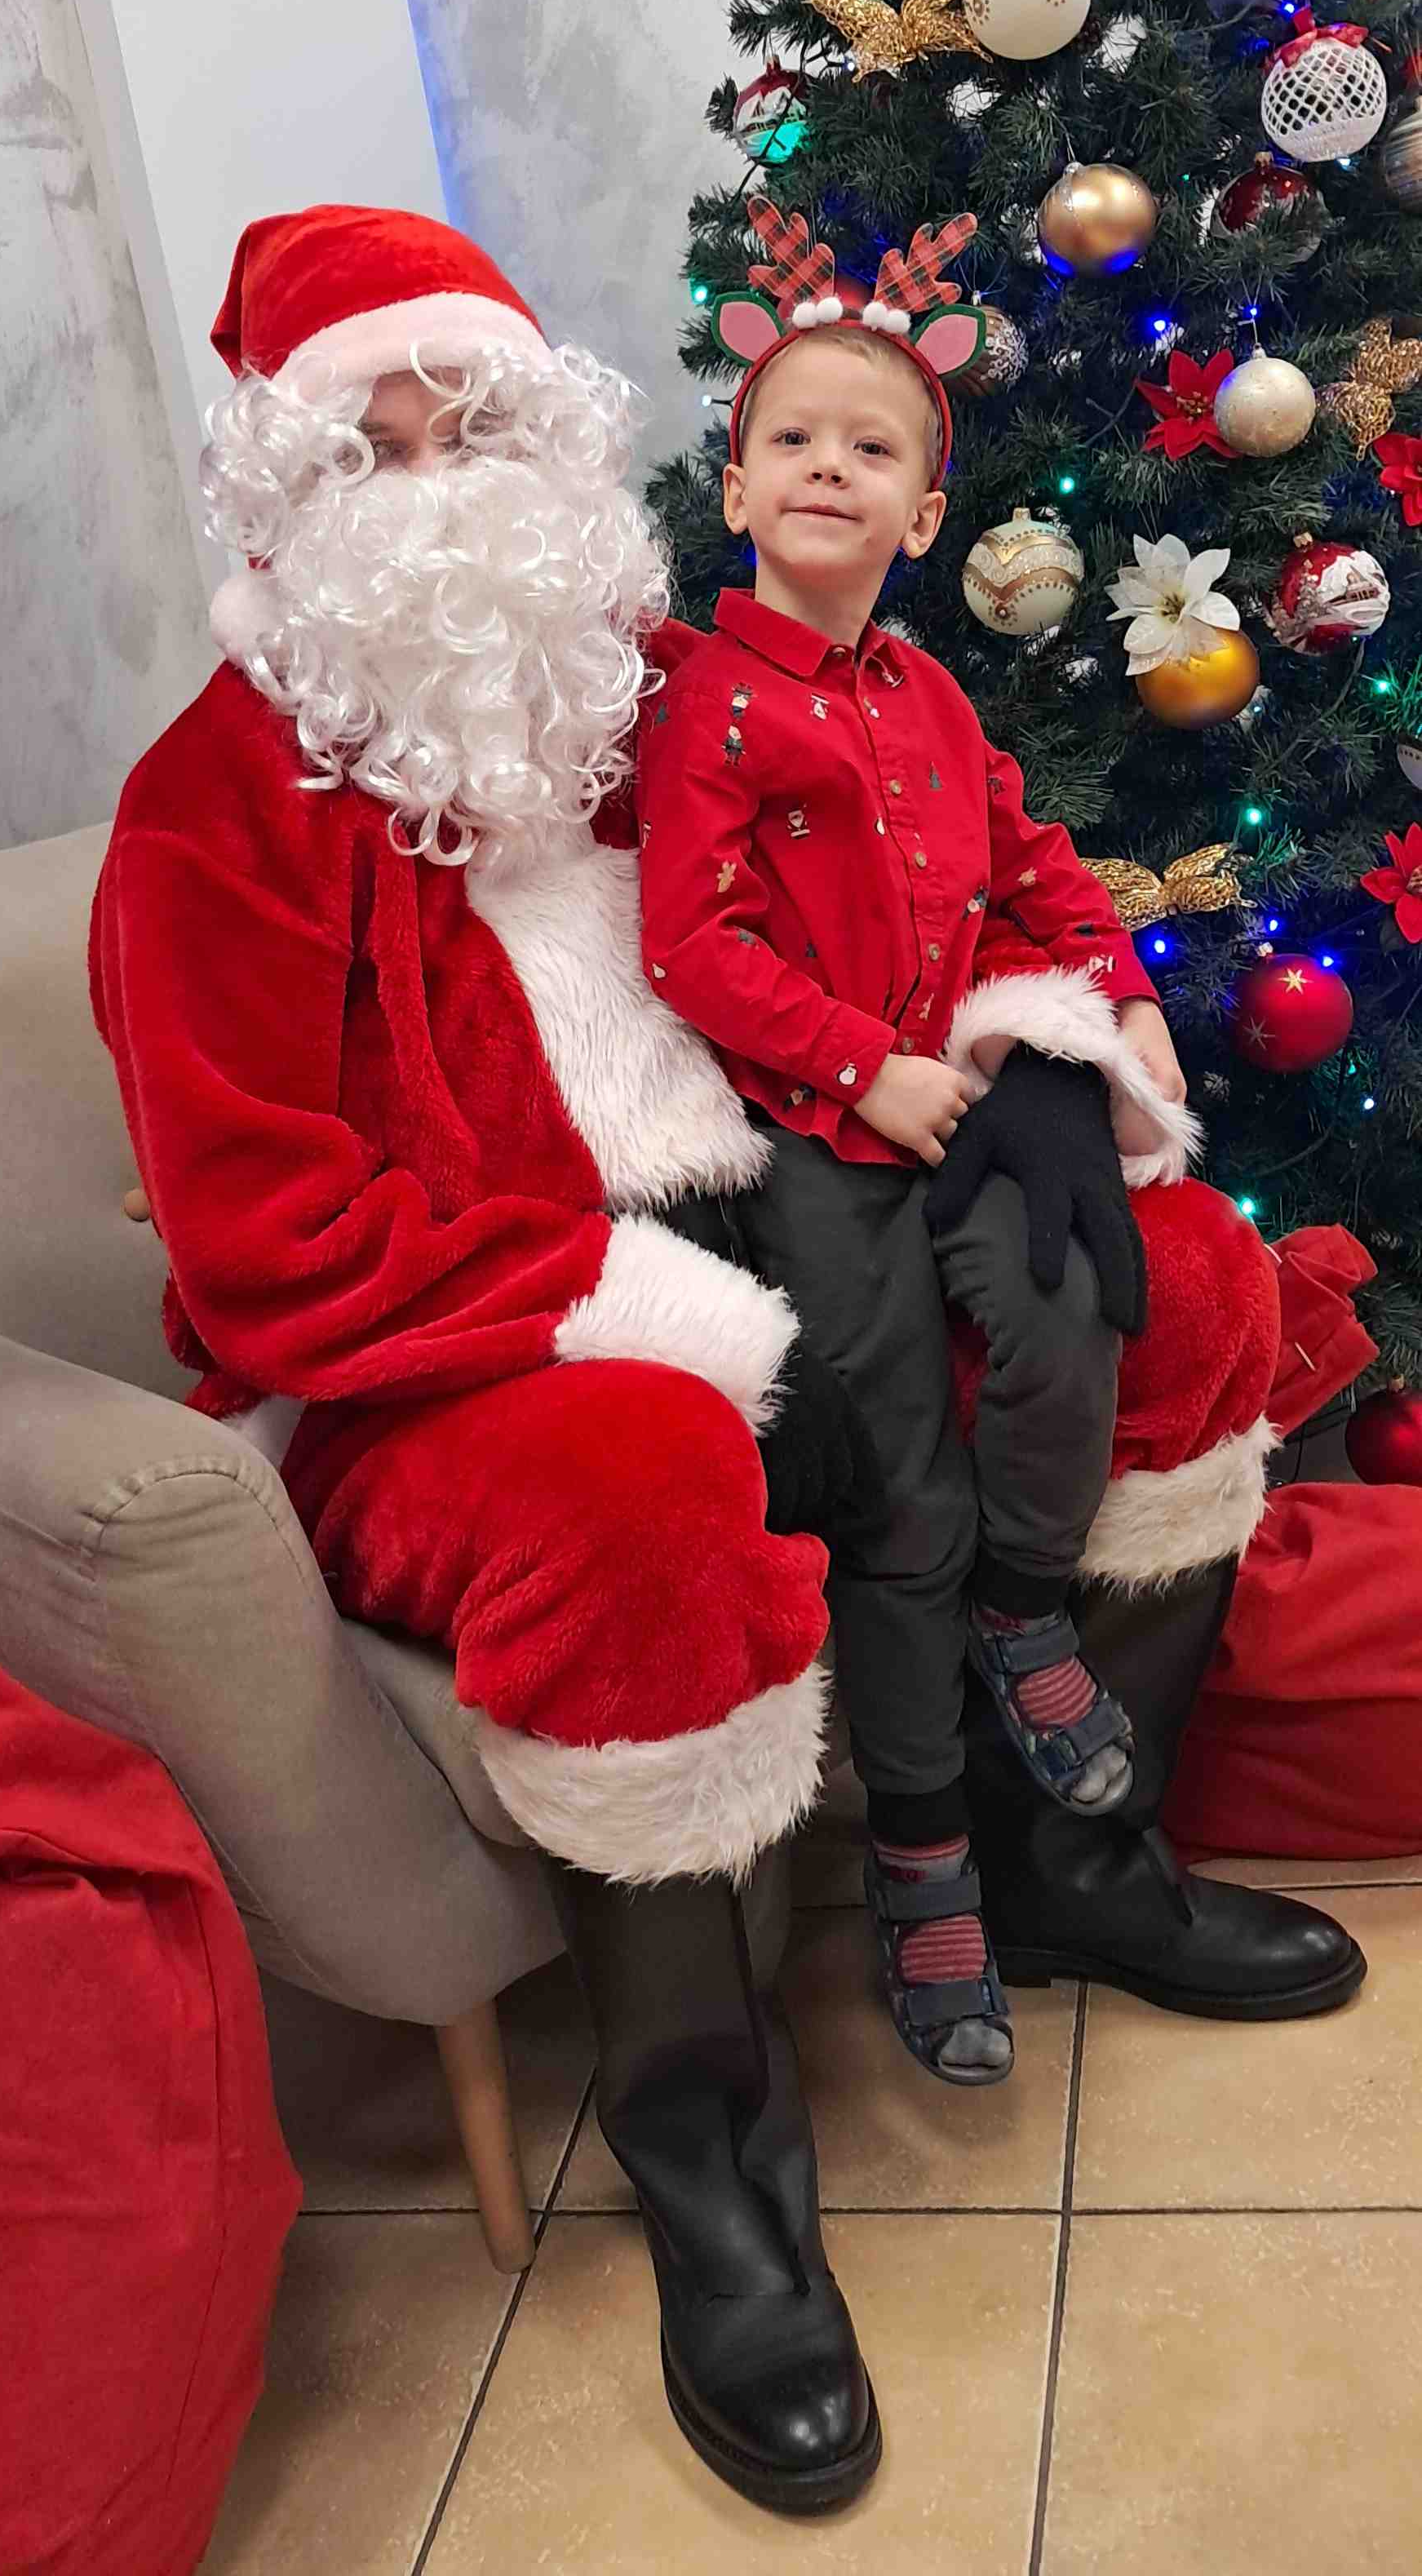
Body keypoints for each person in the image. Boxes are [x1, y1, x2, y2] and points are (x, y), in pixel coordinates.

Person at [91, 201, 1362, 2526]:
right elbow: (270, 1248)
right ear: (282, 498)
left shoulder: (672, 687)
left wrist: (1045, 1048)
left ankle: (1072, 1856)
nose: (434, 487)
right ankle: (713, 2161)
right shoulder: (220, 805)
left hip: (807, 1201)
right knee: (639, 1499)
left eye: (470, 428)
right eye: (372, 449)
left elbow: (950, 883)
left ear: (555, 448)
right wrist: (673, 1325)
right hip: (461, 1343)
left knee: (1179, 1277)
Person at [639, 201, 1220, 2083]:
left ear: (923, 518)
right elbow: (688, 945)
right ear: (739, 488)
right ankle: (920, 1852)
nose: (831, 465)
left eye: (872, 448)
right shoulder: (708, 701)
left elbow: (1034, 867)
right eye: (794, 437)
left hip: (965, 1103)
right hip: (817, 1135)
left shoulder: (933, 694)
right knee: (895, 1485)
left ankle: (1026, 1615)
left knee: (1067, 1308)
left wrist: (1116, 994)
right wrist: (856, 1066)